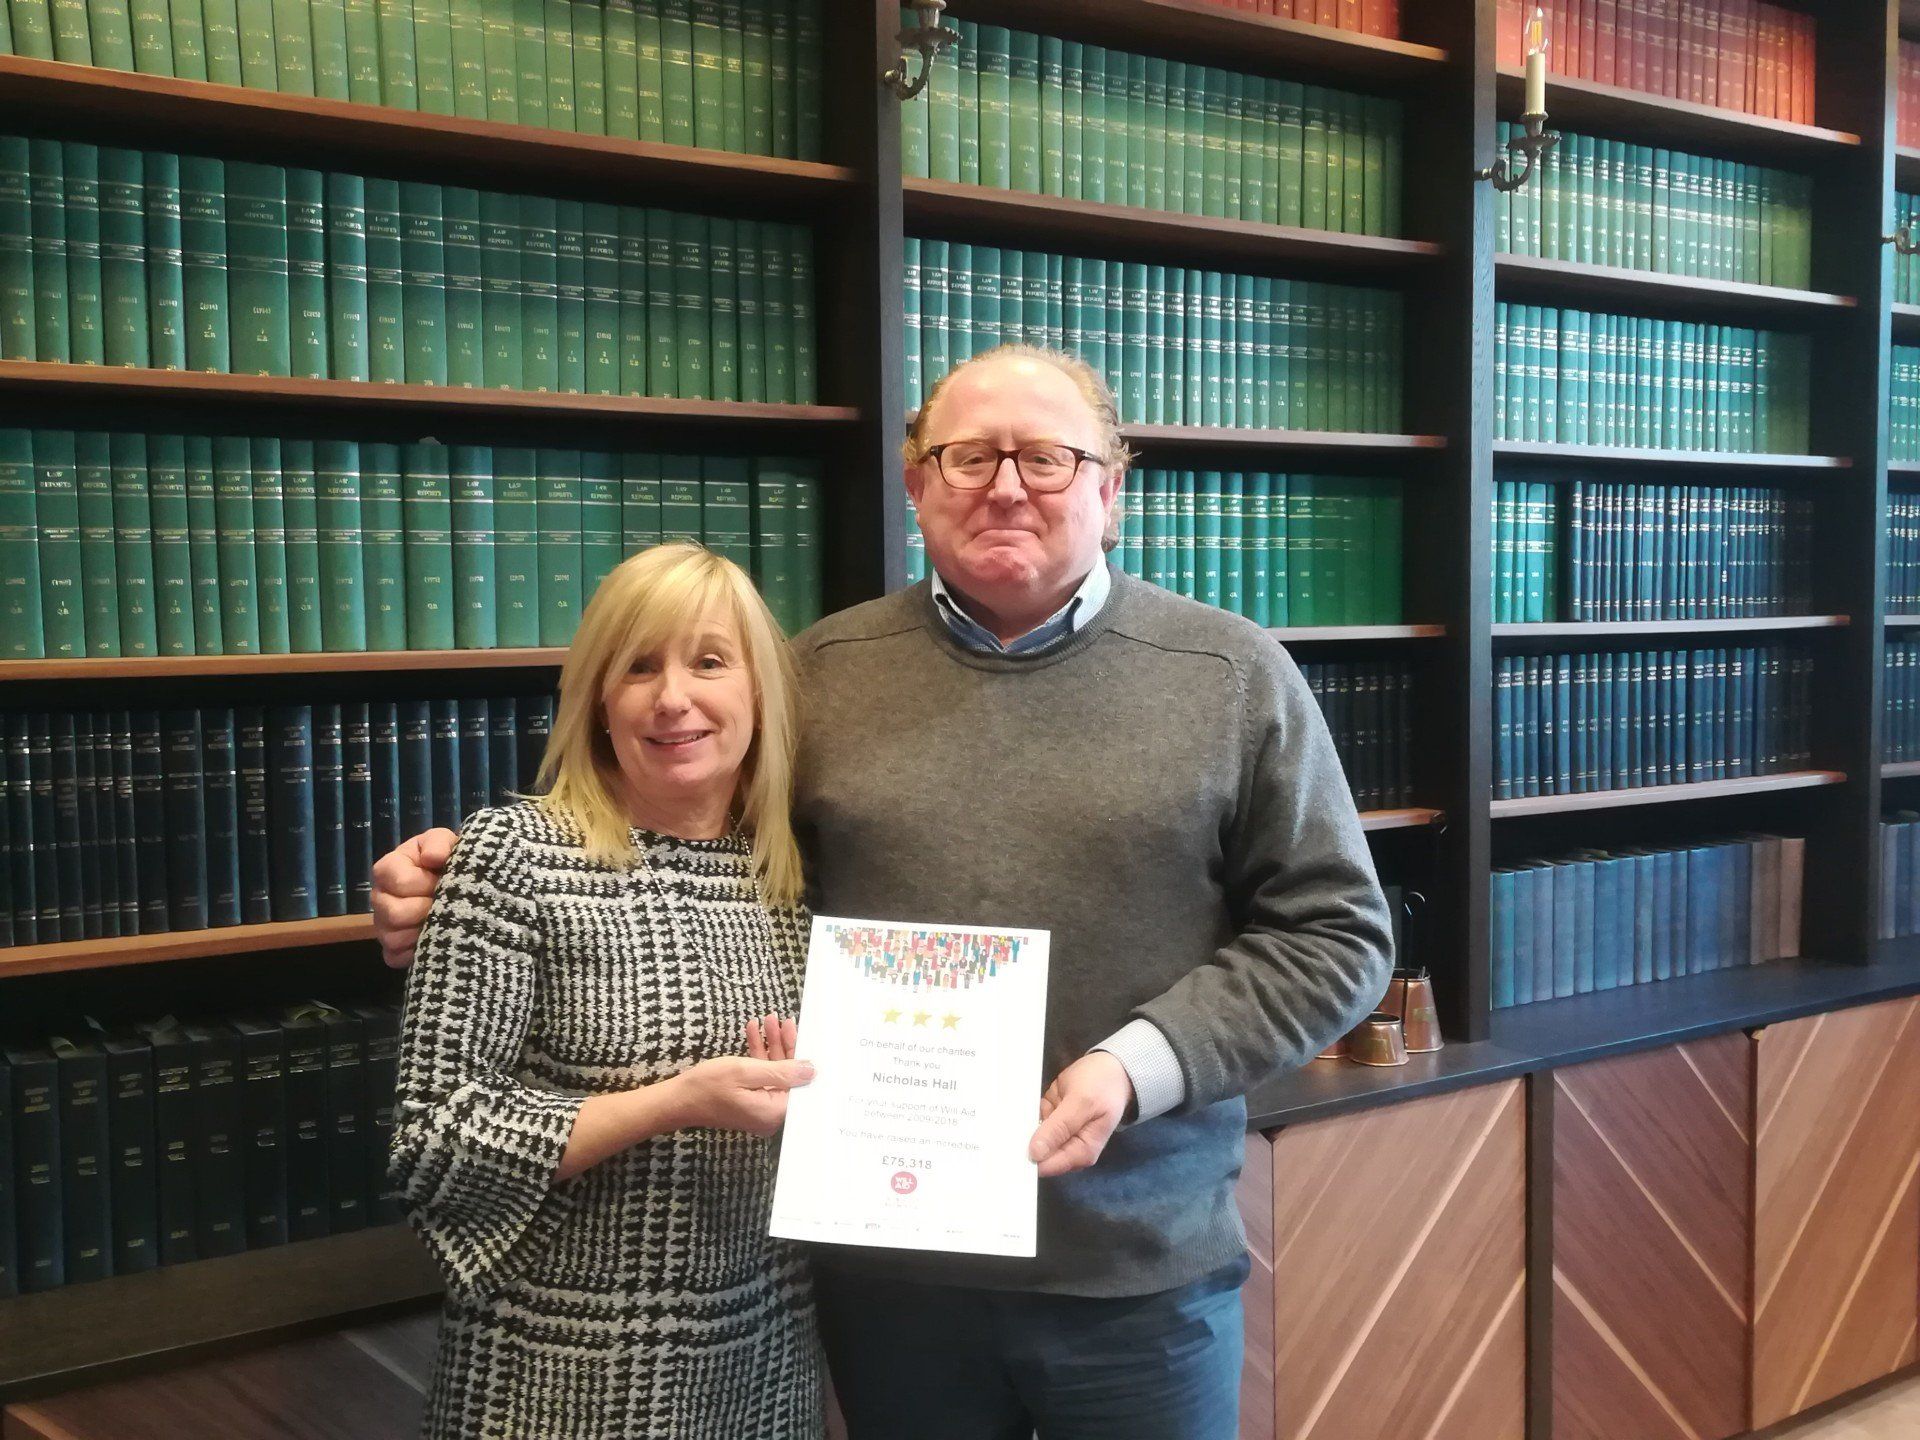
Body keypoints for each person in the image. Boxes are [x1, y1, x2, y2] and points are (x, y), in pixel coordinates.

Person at [375, 346, 1394, 1440]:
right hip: (883, 1273)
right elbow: (688, 845)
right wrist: (449, 881)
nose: (1005, 484)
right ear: (917, 485)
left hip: (1135, 1275)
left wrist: (1132, 1069)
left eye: (1047, 457)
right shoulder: (818, 675)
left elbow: (1334, 935)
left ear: (1112, 488)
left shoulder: (1232, 674)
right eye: (968, 457)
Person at [387, 543, 826, 1440]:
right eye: (637, 667)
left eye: (708, 661)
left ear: (758, 693)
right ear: (598, 699)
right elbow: (432, 1146)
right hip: (557, 1379)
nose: (672, 698)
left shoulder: (799, 878)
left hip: (763, 1366)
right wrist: (673, 1102)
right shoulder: (511, 857)